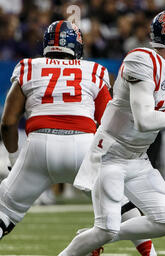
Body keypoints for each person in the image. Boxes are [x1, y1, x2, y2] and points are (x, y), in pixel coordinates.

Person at [36, 9, 165, 256]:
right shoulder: (141, 61)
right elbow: (145, 120)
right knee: (105, 227)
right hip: (110, 156)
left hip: (137, 158)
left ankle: (95, 239)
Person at [0, 20, 111, 240]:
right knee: (120, 207)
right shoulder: (95, 70)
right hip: (84, 147)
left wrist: (14, 159)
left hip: (39, 146)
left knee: (4, 211)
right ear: (77, 46)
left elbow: (8, 122)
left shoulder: (28, 67)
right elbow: (109, 124)